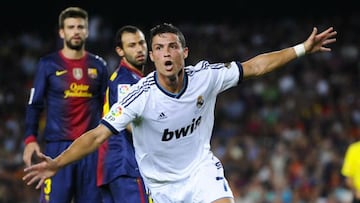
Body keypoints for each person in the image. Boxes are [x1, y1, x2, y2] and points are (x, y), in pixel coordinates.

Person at [23, 23, 337, 203]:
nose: (165, 53)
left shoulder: (206, 76)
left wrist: (302, 49)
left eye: (172, 46)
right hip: (161, 187)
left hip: (201, 172)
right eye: (158, 48)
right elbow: (97, 135)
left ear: (183, 52)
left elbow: (255, 67)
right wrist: (58, 163)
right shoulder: (139, 96)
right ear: (152, 56)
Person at [22, 7, 108, 203]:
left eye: (80, 27)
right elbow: (34, 104)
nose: (76, 31)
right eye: (71, 27)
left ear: (87, 31)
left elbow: (108, 109)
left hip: (90, 150)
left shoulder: (99, 66)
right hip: (57, 149)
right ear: (62, 32)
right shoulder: (48, 64)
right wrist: (30, 139)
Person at [97, 25, 151, 203]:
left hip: (113, 168)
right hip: (127, 167)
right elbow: (129, 124)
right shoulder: (125, 81)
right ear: (120, 51)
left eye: (141, 43)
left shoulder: (131, 78)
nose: (139, 49)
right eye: (132, 45)